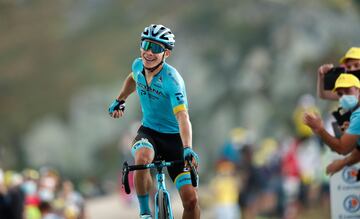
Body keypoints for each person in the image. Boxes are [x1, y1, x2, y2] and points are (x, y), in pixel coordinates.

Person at [108, 24, 200, 219]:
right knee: (141, 158)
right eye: (146, 45)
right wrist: (120, 100)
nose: (149, 52)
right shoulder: (138, 65)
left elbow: (183, 117)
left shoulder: (172, 80)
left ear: (166, 53)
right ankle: (144, 213)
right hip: (149, 132)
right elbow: (132, 79)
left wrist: (187, 147)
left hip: (174, 139)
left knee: (191, 200)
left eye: (156, 48)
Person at [304, 73, 360, 155]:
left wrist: (320, 130)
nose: (344, 97)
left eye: (348, 90)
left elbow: (342, 148)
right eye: (340, 94)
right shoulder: (351, 114)